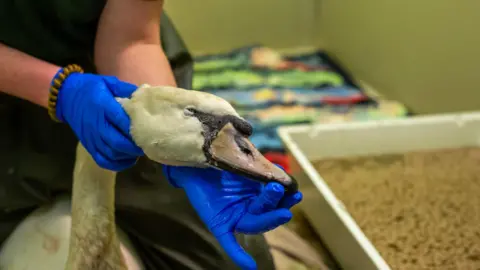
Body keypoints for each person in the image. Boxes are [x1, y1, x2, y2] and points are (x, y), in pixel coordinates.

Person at [0, 0, 302, 270]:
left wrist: (178, 153)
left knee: (233, 262)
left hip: (116, 96)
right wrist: (60, 90)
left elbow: (131, 39)